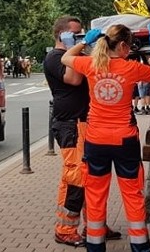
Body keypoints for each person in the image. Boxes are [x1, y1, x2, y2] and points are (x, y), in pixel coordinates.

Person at [62, 23, 150, 252]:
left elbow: (65, 59)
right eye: (127, 47)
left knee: (96, 195)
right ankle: (140, 248)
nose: (128, 51)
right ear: (121, 45)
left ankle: (95, 247)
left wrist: (83, 43)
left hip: (96, 140)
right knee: (132, 195)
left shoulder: (90, 64)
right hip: (124, 140)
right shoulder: (130, 68)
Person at [44, 16, 122, 247]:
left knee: (93, 176)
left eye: (82, 34)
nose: (81, 38)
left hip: (84, 122)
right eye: (76, 34)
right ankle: (65, 229)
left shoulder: (76, 54)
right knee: (75, 177)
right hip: (70, 124)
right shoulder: (55, 57)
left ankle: (95, 225)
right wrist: (76, 49)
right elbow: (74, 78)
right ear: (62, 35)